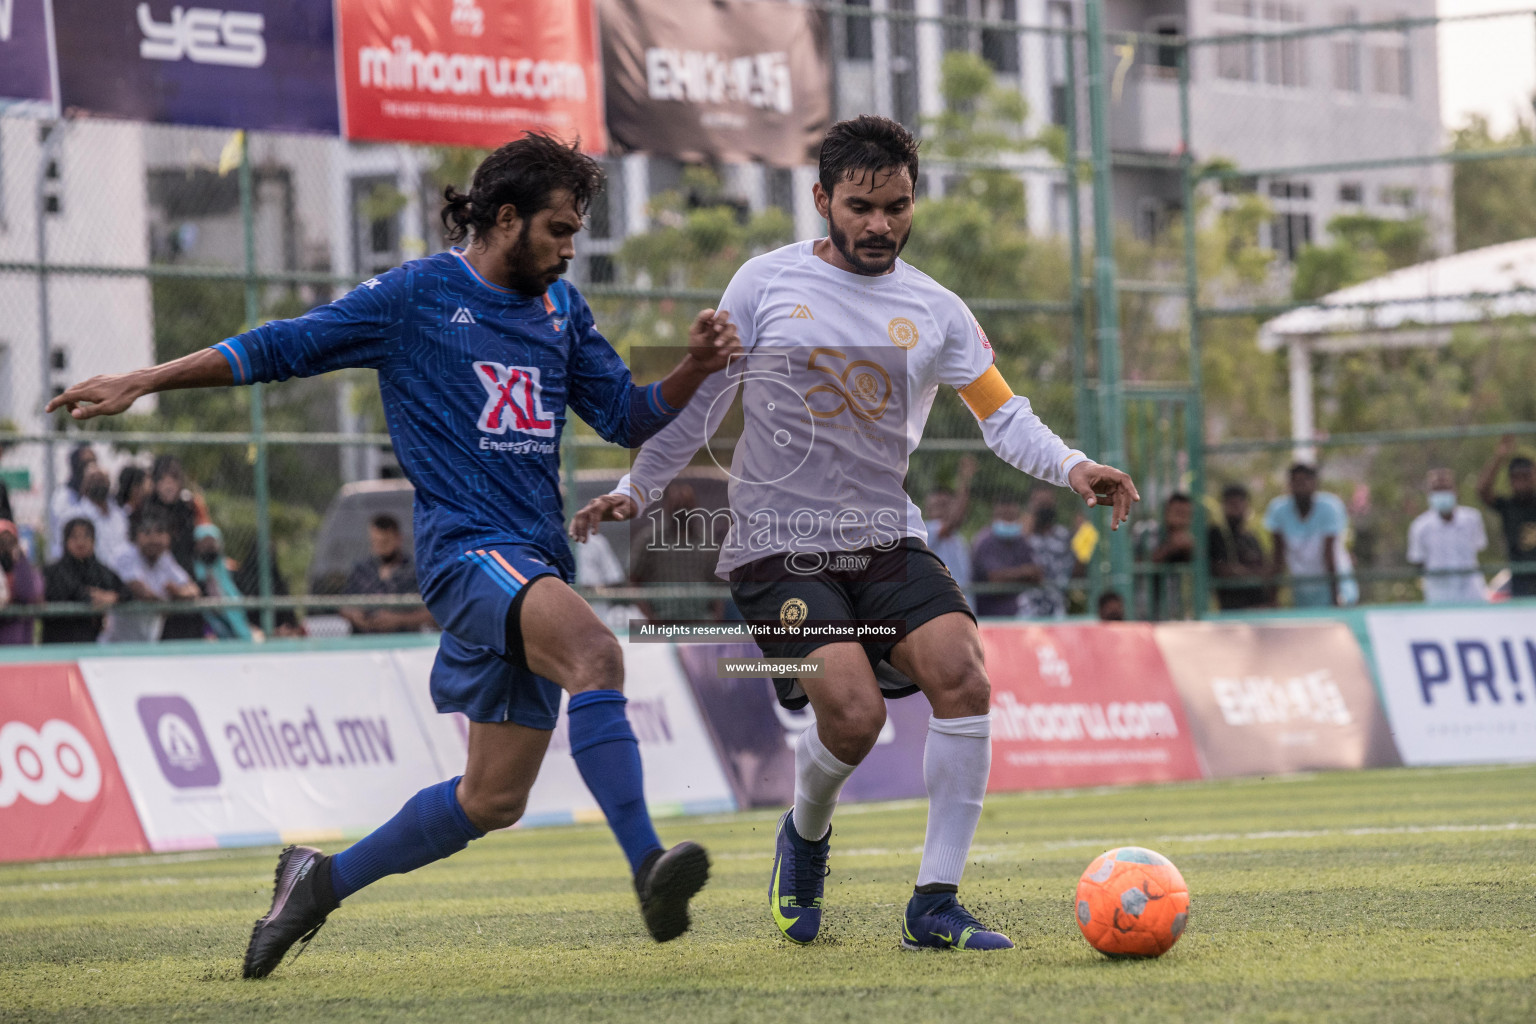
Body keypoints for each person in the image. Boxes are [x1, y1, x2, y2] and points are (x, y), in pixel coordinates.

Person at [49, 131, 739, 976]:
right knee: (597, 654)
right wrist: (144, 380)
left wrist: (696, 369)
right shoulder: (417, 295)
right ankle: (647, 870)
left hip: (532, 562)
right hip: (466, 553)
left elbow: (629, 417)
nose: (571, 246)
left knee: (491, 799)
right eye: (560, 228)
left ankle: (317, 882)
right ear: (507, 217)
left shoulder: (563, 311)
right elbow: (283, 347)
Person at [573, 115, 1138, 952]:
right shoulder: (761, 285)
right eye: (862, 206)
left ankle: (934, 905)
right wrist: (636, 487)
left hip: (884, 539)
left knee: (965, 678)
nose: (881, 224)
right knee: (853, 717)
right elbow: (698, 403)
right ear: (822, 201)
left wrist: (1074, 465)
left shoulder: (937, 308)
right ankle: (804, 837)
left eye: (897, 206)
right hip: (774, 547)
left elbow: (1001, 413)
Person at [628, 482, 726, 623]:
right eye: (677, 504)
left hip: (700, 622)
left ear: (694, 507)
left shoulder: (706, 541)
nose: (682, 509)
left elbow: (717, 584)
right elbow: (633, 580)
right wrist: (650, 617)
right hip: (663, 622)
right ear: (667, 506)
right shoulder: (650, 539)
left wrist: (716, 618)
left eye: (686, 504)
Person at [103, 511, 200, 643]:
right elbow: (139, 590)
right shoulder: (125, 554)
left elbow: (193, 590)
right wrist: (169, 601)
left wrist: (178, 592)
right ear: (137, 535)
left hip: (148, 644)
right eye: (147, 533)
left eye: (160, 533)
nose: (153, 539)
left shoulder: (165, 558)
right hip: (116, 646)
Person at [1264, 463, 1350, 608]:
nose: (1301, 486)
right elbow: (1278, 557)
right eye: (1296, 482)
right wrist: (1272, 599)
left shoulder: (1330, 508)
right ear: (1290, 484)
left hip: (1333, 586)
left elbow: (1329, 556)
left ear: (1314, 484)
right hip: (1302, 589)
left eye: (1305, 481)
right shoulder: (1278, 510)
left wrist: (1335, 598)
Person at [339, 514, 434, 635]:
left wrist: (398, 619)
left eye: (385, 542)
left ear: (398, 539)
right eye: (375, 542)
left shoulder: (415, 572)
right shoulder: (361, 571)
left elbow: (431, 612)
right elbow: (343, 605)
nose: (380, 548)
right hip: (364, 641)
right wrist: (356, 616)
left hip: (404, 641)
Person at [42, 519, 131, 644]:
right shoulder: (52, 572)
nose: (80, 542)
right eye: (74, 537)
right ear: (65, 541)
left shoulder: (101, 571)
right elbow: (67, 592)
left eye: (86, 536)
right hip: (58, 643)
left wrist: (113, 597)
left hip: (91, 644)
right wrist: (91, 597)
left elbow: (126, 591)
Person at [1408, 468, 1487, 604]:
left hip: (1472, 591)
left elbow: (1479, 547)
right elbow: (1418, 561)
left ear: (1455, 491)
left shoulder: (1472, 519)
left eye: (1445, 488)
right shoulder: (1420, 526)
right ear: (1429, 494)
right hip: (1439, 595)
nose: (1442, 494)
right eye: (1437, 489)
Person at [1476, 435, 1536, 598]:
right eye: (1517, 478)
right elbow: (1482, 492)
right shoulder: (1508, 506)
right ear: (1510, 480)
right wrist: (1499, 458)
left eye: (1526, 477)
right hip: (1520, 581)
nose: (1522, 482)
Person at [969, 496, 1039, 618]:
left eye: (1012, 517)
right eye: (1005, 516)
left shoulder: (1021, 541)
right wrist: (1024, 572)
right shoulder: (985, 541)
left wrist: (1012, 574)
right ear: (995, 515)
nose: (1008, 521)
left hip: (1019, 614)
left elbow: (1037, 574)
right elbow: (996, 577)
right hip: (990, 616)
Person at [1208, 484, 1273, 610]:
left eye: (1239, 503)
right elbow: (1220, 569)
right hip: (1233, 609)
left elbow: (1265, 568)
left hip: (1259, 607)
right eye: (1231, 504)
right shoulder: (1215, 534)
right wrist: (1252, 574)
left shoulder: (1251, 537)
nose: (1236, 509)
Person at [1017, 488, 1077, 620]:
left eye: (1047, 504)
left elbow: (1076, 568)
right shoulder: (1024, 537)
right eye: (1040, 505)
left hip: (1057, 606)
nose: (1044, 509)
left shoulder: (1064, 536)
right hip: (1028, 608)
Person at [922, 454, 976, 592]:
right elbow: (955, 520)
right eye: (937, 505)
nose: (941, 509)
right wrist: (964, 479)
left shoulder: (960, 539)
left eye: (945, 505)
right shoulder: (927, 530)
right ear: (927, 508)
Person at [1139, 493, 1195, 621]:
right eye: (1178, 513)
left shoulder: (1190, 539)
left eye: (1186, 515)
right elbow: (1136, 564)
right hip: (1143, 609)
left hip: (1172, 613)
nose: (1182, 519)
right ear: (1165, 512)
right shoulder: (1146, 531)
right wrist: (1170, 548)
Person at [192, 524, 253, 640]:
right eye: (204, 542)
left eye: (212, 542)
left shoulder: (232, 572)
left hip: (237, 630)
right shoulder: (191, 574)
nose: (209, 546)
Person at [0, 520, 44, 644]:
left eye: (9, 542)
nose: (4, 547)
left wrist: (19, 561)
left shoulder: (24, 567)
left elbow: (30, 593)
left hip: (18, 641)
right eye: (1, 542)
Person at [48, 443, 97, 554]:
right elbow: (71, 528)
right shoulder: (62, 497)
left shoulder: (97, 499)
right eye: (86, 464)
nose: (91, 469)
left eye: (94, 462)